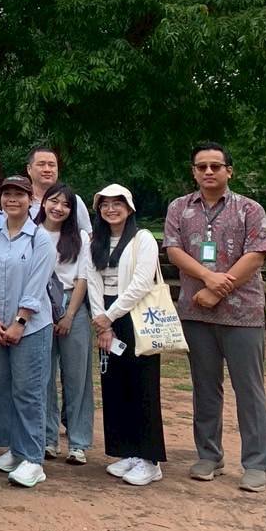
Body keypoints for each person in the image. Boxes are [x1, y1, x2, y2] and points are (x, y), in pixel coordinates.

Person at [162, 142, 266, 493]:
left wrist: (217, 290)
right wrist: (207, 279)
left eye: (215, 166)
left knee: (249, 390)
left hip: (243, 314)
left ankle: (256, 463)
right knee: (205, 388)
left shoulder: (249, 210)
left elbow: (256, 254)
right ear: (193, 171)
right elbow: (174, 250)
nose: (208, 172)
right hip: (196, 313)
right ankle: (209, 455)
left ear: (229, 170)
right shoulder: (179, 208)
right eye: (201, 167)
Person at [0, 175, 56, 488]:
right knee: (1, 388)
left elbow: (36, 287)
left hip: (31, 327)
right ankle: (17, 449)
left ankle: (34, 459)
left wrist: (19, 322)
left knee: (29, 391)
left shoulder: (40, 238)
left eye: (19, 195)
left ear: (30, 200)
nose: (13, 200)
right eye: (7, 194)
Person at [87, 184, 166, 487]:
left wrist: (110, 315)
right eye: (105, 204)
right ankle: (129, 451)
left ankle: (150, 459)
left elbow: (142, 282)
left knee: (142, 384)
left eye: (117, 203)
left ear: (129, 207)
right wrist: (101, 320)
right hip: (106, 317)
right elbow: (91, 278)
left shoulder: (141, 239)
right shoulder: (96, 240)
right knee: (115, 383)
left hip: (134, 316)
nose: (111, 209)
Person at [37, 181, 93, 464]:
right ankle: (47, 439)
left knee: (77, 376)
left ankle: (78, 441)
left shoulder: (80, 237)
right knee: (43, 376)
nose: (59, 208)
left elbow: (83, 277)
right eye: (54, 201)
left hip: (73, 304)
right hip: (39, 306)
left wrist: (70, 315)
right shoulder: (32, 233)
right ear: (44, 202)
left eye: (66, 204)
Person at [26, 145, 92, 227]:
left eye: (51, 165)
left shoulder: (73, 201)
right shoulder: (19, 201)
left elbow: (88, 236)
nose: (47, 169)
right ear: (29, 169)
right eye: (41, 164)